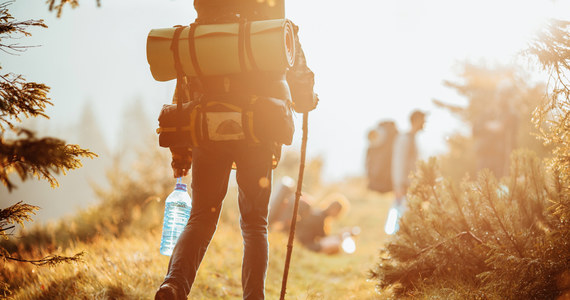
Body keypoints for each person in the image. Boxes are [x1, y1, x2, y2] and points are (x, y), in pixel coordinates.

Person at [154, 1, 318, 299]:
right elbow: (302, 89)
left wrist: (181, 155)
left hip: (207, 133)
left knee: (201, 217)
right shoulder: (274, 30)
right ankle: (254, 297)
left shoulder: (199, 33)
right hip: (257, 135)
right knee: (255, 224)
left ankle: (174, 285)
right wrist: (309, 98)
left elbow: (184, 93)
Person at [385, 110, 426, 235]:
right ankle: (395, 244)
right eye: (423, 120)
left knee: (410, 217)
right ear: (416, 120)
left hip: (412, 186)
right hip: (404, 186)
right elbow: (398, 162)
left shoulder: (413, 139)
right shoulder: (404, 139)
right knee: (400, 217)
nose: (424, 124)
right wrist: (398, 185)